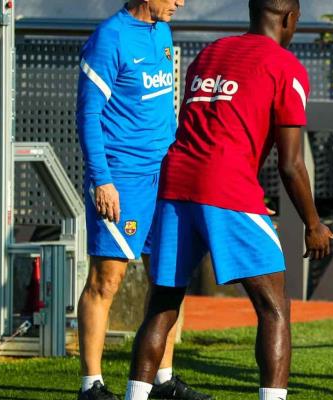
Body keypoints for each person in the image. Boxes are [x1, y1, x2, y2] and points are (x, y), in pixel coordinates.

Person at [124, 0, 333, 399]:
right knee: (274, 308)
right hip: (227, 188)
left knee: (163, 303)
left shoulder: (209, 53)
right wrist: (313, 224)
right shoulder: (287, 67)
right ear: (290, 19)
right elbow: (290, 164)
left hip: (175, 183)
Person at [75, 1, 211, 399]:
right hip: (122, 179)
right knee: (107, 280)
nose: (181, 2)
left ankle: (163, 380)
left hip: (164, 175)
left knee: (165, 276)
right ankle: (91, 387)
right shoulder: (109, 38)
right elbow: (87, 115)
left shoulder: (163, 32)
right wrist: (103, 180)